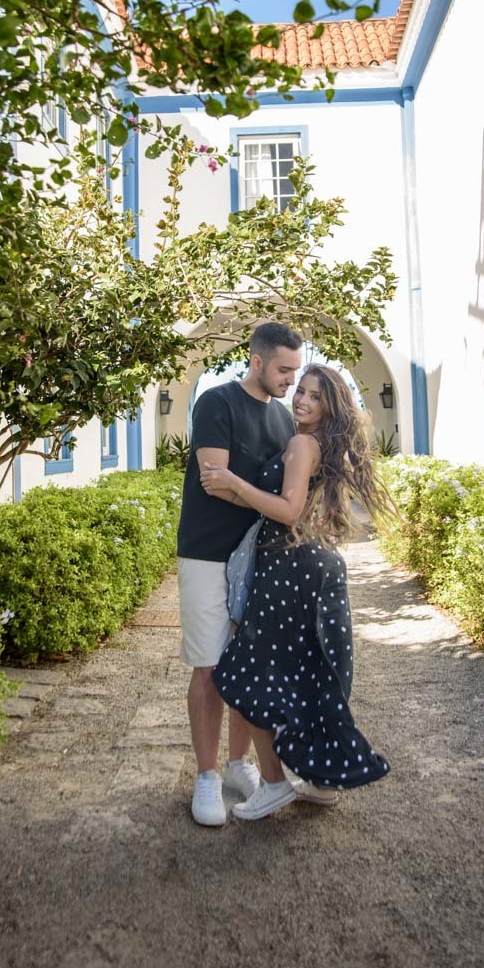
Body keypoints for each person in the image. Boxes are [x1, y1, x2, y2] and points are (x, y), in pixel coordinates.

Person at [200, 364, 391, 821]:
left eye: (313, 396)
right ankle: (323, 784)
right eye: (300, 391)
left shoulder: (303, 443)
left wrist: (233, 482)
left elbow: (288, 510)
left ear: (329, 405)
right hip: (314, 564)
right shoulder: (323, 442)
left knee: (252, 673)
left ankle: (273, 783)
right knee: (313, 673)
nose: (301, 400)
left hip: (289, 568)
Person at [177, 322, 303, 826]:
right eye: (283, 369)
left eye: (296, 371)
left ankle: (237, 766)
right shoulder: (216, 402)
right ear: (256, 361)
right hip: (208, 553)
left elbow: (267, 492)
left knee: (247, 666)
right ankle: (206, 777)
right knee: (208, 666)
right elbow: (213, 483)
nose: (291, 380)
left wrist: (266, 501)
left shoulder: (284, 422)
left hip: (260, 558)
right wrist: (274, 504)